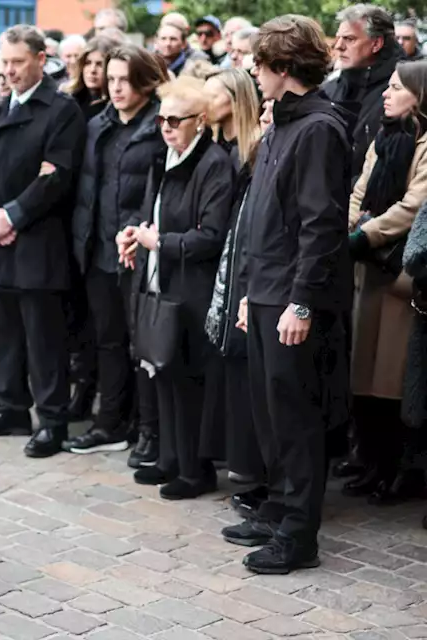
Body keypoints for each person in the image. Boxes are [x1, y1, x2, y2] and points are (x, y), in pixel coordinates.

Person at [223, 14, 352, 575]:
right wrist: (253, 292)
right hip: (268, 291)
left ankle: (299, 534)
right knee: (269, 411)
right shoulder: (283, 122)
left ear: (283, 67)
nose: (253, 72)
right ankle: (277, 508)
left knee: (296, 416)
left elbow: (321, 224)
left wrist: (300, 301)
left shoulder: (319, 127)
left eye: (259, 63)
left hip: (297, 298)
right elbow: (263, 217)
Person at [0, 24, 86, 460]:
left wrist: (13, 215)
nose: (10, 71)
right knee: (8, 333)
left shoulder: (60, 109)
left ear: (40, 59)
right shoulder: (1, 109)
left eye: (18, 62)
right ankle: (11, 406)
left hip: (38, 241)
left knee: (43, 338)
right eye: (6, 63)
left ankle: (52, 420)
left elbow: (55, 177)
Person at [118, 76, 234, 498]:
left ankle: (194, 470)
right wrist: (134, 234)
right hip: (161, 279)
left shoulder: (214, 163)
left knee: (187, 378)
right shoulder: (166, 158)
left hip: (193, 287)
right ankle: (169, 458)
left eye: (175, 120)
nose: (166, 127)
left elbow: (212, 235)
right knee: (162, 370)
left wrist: (160, 242)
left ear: (200, 121)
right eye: (162, 119)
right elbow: (154, 213)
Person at [65, 44, 168, 459]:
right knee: (106, 340)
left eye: (125, 80)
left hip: (139, 253)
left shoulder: (158, 125)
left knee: (142, 344)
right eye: (111, 80)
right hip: (97, 249)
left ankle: (149, 430)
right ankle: (109, 422)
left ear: (144, 81)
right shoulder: (98, 123)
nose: (117, 87)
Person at [342, 60, 427, 503]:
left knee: (393, 376)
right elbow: (360, 189)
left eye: (396, 88)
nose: (386, 94)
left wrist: (366, 234)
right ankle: (371, 462)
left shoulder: (425, 144)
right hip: (368, 270)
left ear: (420, 93)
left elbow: (416, 205)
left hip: (399, 274)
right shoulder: (383, 136)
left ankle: (399, 469)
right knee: (366, 372)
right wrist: (355, 224)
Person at [201, 68, 266, 510]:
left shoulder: (253, 150)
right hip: (215, 269)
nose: (206, 101)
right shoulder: (212, 148)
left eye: (215, 93)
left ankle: (253, 471)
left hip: (243, 267)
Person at [325, 4, 403, 182]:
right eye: (338, 39)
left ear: (376, 43)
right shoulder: (329, 88)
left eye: (349, 39)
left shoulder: (403, 91)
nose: (338, 46)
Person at [63, 36, 122, 123]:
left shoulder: (118, 105)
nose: (92, 70)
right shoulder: (69, 99)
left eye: (99, 64)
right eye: (88, 63)